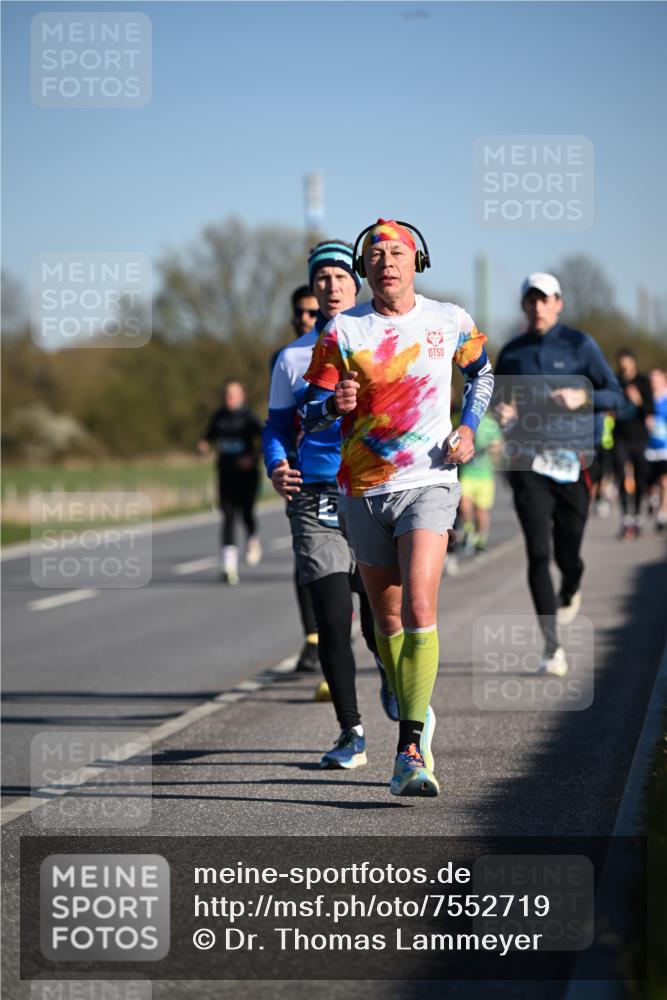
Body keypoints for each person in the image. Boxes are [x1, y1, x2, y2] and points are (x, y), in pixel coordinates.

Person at [302, 219, 494, 797]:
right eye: (377, 255)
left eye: (397, 252)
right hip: (363, 489)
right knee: (385, 623)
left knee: (420, 602)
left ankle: (410, 750)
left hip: (430, 483)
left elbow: (483, 373)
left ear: (417, 262)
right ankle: (412, 700)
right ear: (366, 270)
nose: (387, 261)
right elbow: (309, 412)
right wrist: (333, 404)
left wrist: (468, 427)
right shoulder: (343, 329)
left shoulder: (450, 320)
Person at [263, 240, 399, 769]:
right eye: (323, 278)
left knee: (373, 619)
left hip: (369, 489)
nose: (332, 286)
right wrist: (277, 464)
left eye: (342, 276)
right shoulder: (294, 357)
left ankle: (389, 672)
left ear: (357, 282)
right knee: (332, 615)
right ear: (313, 288)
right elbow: (276, 426)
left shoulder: (384, 340)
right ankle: (352, 733)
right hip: (315, 495)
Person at [494, 273, 624, 675]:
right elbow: (497, 400)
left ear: (558, 303)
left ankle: (572, 583)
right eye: (530, 300)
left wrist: (583, 395)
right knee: (537, 552)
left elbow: (616, 396)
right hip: (528, 460)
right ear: (523, 306)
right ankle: (552, 648)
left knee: (569, 552)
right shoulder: (512, 352)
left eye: (544, 299)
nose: (537, 307)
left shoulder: (580, 344)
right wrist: (502, 412)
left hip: (576, 461)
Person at [272, 286, 321, 675]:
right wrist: (278, 462)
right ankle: (314, 640)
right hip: (300, 472)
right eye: (299, 313)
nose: (305, 318)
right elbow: (277, 421)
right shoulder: (286, 358)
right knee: (306, 556)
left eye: (311, 312)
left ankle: (351, 628)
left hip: (349, 473)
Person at [197, 379, 263, 585]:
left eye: (233, 395)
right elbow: (208, 437)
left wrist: (251, 458)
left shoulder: (249, 417)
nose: (229, 398)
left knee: (246, 513)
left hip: (247, 474)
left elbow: (264, 442)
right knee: (227, 516)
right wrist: (203, 445)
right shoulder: (219, 416)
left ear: (242, 396)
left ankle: (253, 537)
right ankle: (229, 567)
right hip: (226, 473)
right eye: (227, 395)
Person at [613, 348, 654, 539]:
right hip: (620, 436)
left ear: (633, 362)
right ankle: (625, 518)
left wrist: (638, 400)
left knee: (640, 477)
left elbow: (650, 410)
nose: (624, 365)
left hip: (639, 436)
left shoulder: (643, 382)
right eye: (621, 362)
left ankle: (637, 515)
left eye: (626, 361)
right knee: (621, 475)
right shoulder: (615, 381)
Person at [459, 411, 503, 557]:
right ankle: (469, 531)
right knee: (463, 504)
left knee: (481, 511)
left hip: (484, 474)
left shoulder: (490, 423)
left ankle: (480, 541)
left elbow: (499, 444)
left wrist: (491, 448)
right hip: (467, 472)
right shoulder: (463, 420)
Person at [646, 367, 667, 531]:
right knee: (649, 482)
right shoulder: (646, 398)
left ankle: (663, 513)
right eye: (651, 379)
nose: (654, 382)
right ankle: (652, 498)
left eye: (657, 379)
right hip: (648, 447)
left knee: (665, 481)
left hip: (665, 446)